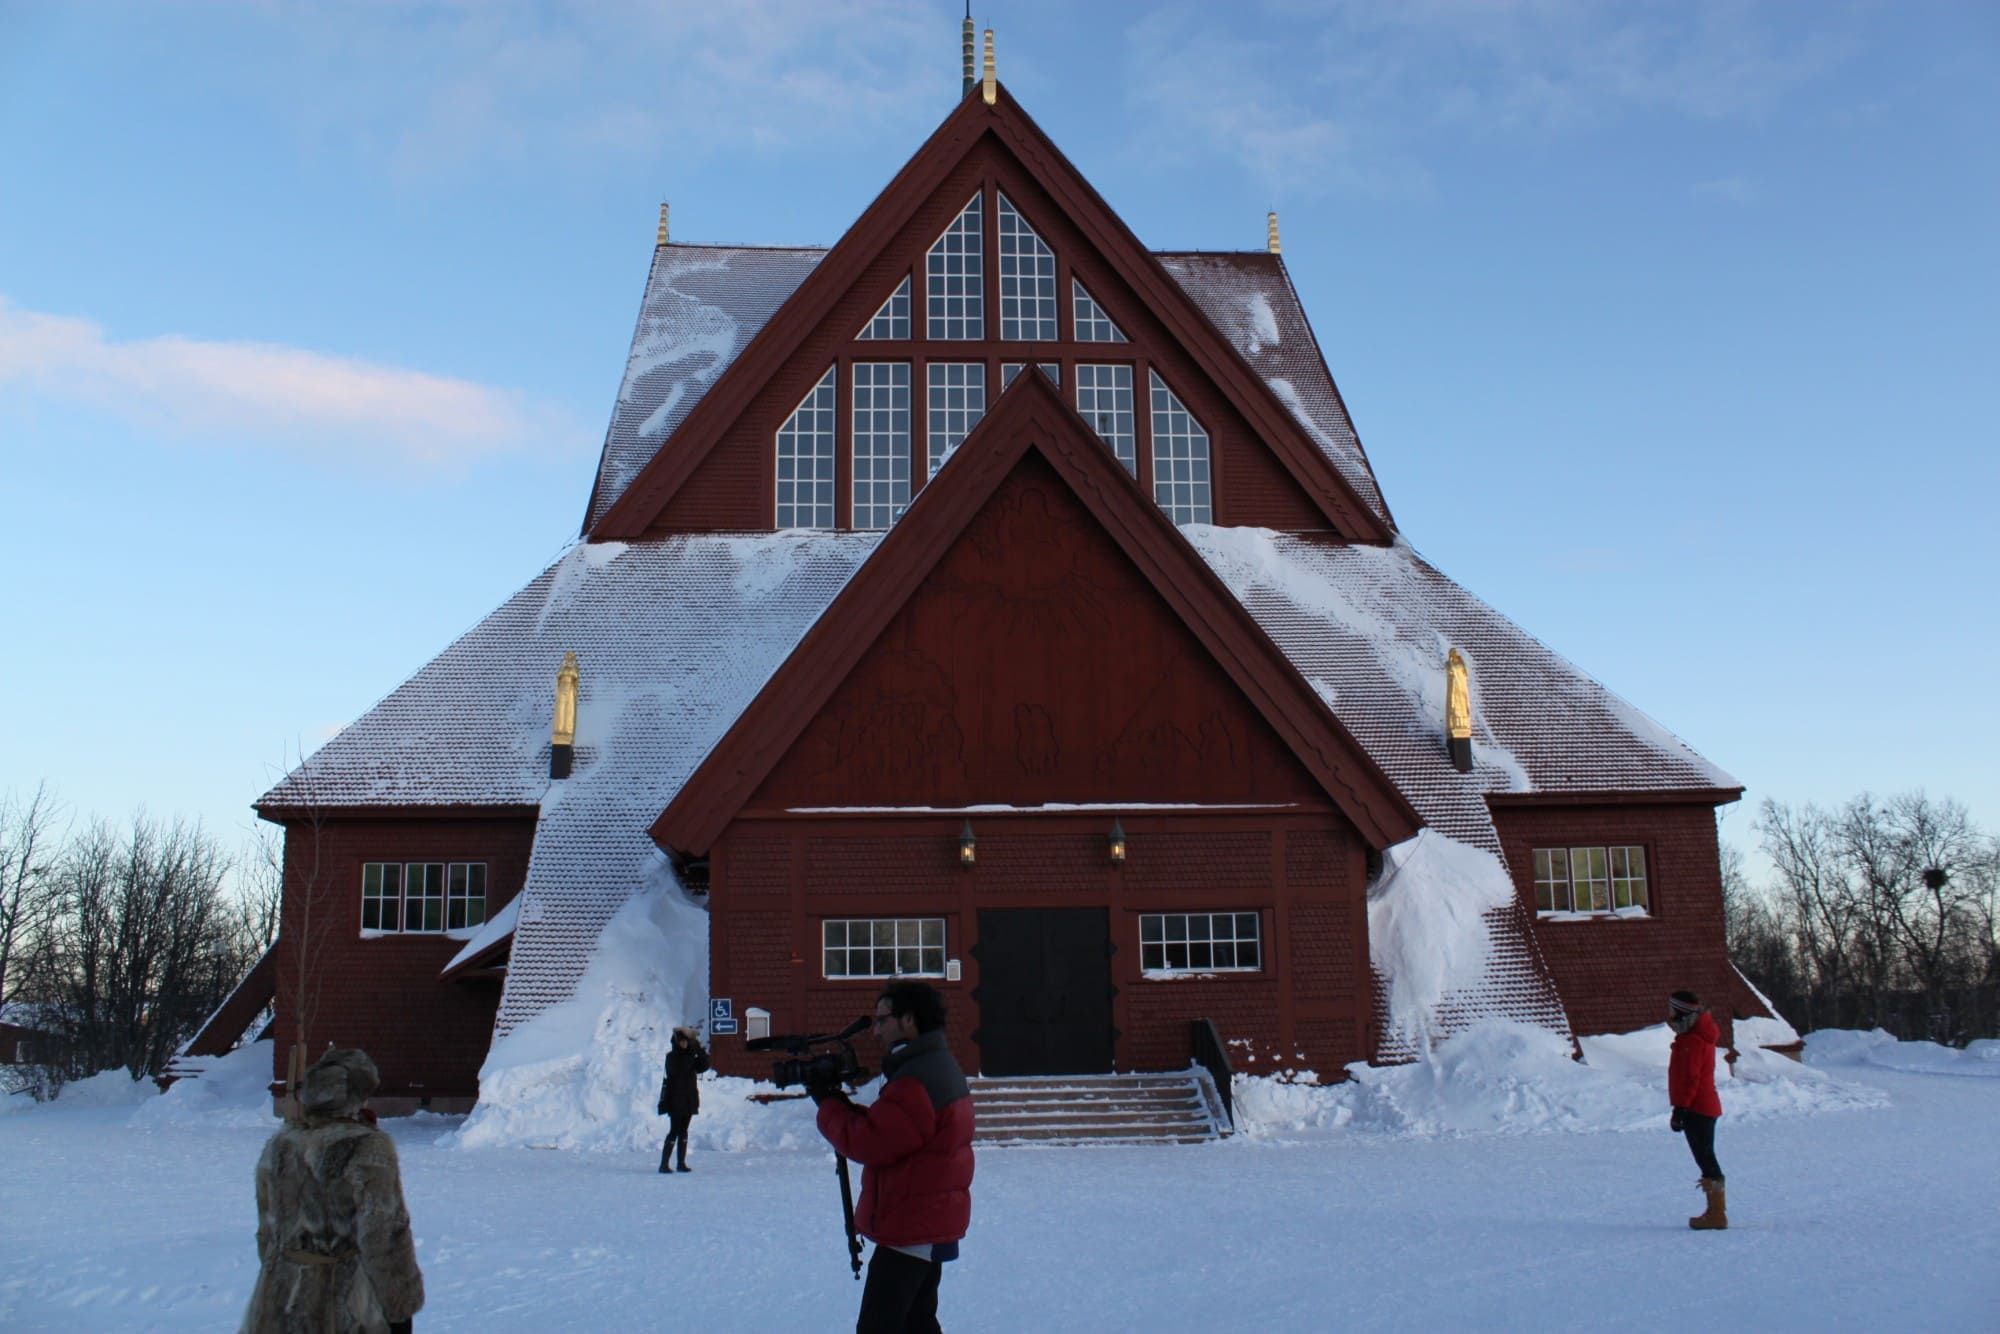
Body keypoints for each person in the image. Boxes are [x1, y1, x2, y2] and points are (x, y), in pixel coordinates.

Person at [814, 981, 975, 1334]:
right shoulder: (936, 1066)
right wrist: (841, 1106)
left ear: (908, 1020)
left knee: (881, 1326)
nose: (875, 1030)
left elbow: (870, 1142)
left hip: (911, 1227)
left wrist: (826, 1106)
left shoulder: (916, 1079)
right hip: (926, 1222)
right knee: (917, 1322)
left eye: (883, 1019)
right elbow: (891, 1128)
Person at [242, 1047, 425, 1333]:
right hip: (345, 1303)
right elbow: (383, 1235)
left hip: (281, 1301)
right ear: (355, 1097)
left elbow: (267, 1233)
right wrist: (399, 1305)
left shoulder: (280, 1146)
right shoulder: (366, 1148)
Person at [1667, 989, 1728, 1231]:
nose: (1668, 1014)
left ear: (1680, 1012)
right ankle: (1715, 1211)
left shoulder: (1691, 1040)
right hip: (1703, 1105)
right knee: (1705, 1157)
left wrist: (1680, 1109)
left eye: (1671, 1009)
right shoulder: (1697, 1036)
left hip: (1697, 1108)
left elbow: (1690, 1078)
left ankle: (1716, 1214)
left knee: (1706, 1158)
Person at [658, 1025, 711, 1173]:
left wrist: (698, 1048)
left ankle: (681, 1163)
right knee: (674, 1130)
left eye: (686, 1041)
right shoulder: (672, 1057)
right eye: (683, 1041)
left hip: (688, 1099)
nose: (684, 1044)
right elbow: (681, 1067)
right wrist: (693, 1051)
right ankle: (664, 1164)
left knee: (684, 1131)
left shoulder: (690, 1056)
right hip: (675, 1099)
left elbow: (705, 1065)